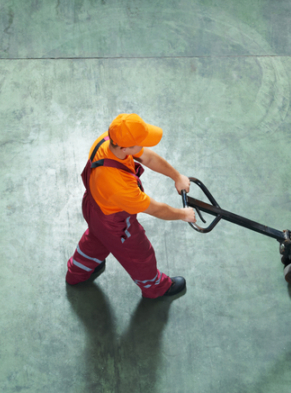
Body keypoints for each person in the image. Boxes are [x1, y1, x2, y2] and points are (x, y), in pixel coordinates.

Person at [65, 114, 196, 298]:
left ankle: (76, 273)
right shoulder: (119, 186)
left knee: (95, 239)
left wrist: (177, 176)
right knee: (140, 256)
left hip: (94, 207)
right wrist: (183, 214)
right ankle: (156, 288)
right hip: (115, 226)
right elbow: (156, 209)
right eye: (141, 142)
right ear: (125, 147)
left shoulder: (107, 140)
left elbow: (148, 158)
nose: (144, 146)